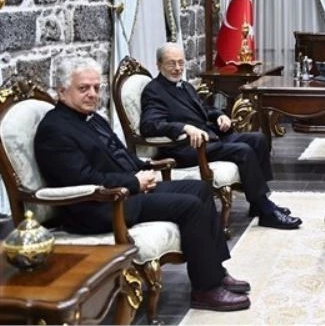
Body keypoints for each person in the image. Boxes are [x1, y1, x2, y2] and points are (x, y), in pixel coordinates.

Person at [34, 57, 251, 312]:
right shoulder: (54, 130)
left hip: (125, 191)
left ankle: (215, 271)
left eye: (96, 87)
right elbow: (81, 178)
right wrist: (134, 182)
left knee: (200, 189)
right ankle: (205, 289)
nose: (92, 94)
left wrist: (145, 168)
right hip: (98, 206)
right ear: (62, 91)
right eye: (84, 88)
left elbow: (119, 155)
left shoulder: (91, 118)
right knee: (190, 206)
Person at [139, 42, 301, 230]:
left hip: (211, 137)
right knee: (243, 151)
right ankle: (266, 211)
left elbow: (203, 109)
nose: (177, 68)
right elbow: (150, 125)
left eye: (181, 63)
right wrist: (184, 128)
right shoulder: (154, 90)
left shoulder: (185, 86)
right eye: (171, 63)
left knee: (258, 140)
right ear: (158, 65)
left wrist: (219, 116)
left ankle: (258, 203)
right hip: (187, 148)